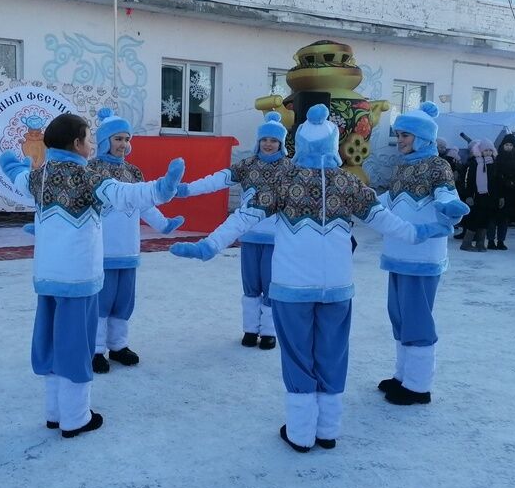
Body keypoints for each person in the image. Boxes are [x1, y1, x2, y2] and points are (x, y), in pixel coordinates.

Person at [169, 104, 454, 452]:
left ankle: (301, 432)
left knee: (298, 356)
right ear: (333, 145)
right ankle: (328, 430)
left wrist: (210, 245)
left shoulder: (284, 181)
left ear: (299, 144)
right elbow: (386, 222)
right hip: (336, 289)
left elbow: (243, 217)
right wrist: (422, 231)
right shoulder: (349, 183)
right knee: (332, 355)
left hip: (293, 288)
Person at [0, 113, 184, 438]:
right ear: (78, 144)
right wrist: (163, 188)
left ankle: (55, 412)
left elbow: (17, 178)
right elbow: (127, 195)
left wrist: (11, 165)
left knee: (51, 342)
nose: (90, 143)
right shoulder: (89, 178)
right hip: (79, 280)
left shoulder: (39, 177)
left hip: (47, 278)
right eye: (87, 137)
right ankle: (75, 418)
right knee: (77, 345)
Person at [378, 102, 469, 406]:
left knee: (416, 317)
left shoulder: (437, 165)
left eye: (405, 135)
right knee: (399, 314)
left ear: (423, 137)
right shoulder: (402, 165)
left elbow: (446, 193)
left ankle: (418, 386)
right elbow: (391, 200)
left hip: (422, 256)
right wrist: (362, 204)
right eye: (399, 134)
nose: (400, 139)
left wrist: (449, 206)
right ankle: (403, 375)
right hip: (398, 253)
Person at [175, 112, 290, 350]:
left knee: (271, 284)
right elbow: (217, 180)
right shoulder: (247, 166)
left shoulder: (290, 169)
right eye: (265, 139)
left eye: (274, 140)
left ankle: (268, 332)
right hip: (248, 235)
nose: (269, 144)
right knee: (250, 285)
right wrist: (187, 189)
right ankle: (250, 329)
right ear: (258, 142)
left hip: (277, 238)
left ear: (281, 143)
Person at [87, 108, 185, 374]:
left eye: (126, 139)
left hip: (128, 250)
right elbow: (80, 206)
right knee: (101, 302)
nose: (123, 144)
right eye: (117, 138)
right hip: (102, 251)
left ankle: (118, 345)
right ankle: (95, 350)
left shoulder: (133, 171)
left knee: (124, 301)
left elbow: (145, 204)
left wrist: (163, 224)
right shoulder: (92, 169)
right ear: (105, 140)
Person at [459, 139, 500, 252]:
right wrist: (468, 196)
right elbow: (469, 181)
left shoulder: (494, 163)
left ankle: (480, 243)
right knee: (474, 219)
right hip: (476, 196)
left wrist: (498, 196)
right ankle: (466, 243)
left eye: (490, 150)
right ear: (480, 151)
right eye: (485, 150)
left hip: (490, 197)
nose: (488, 152)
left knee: (485, 220)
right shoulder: (474, 163)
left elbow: (496, 181)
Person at [487, 134, 515, 249]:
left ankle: (501, 241)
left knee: (504, 219)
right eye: (506, 144)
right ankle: (491, 240)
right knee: (492, 218)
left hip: (509, 194)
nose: (508, 147)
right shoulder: (497, 159)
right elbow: (494, 177)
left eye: (511, 145)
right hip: (496, 192)